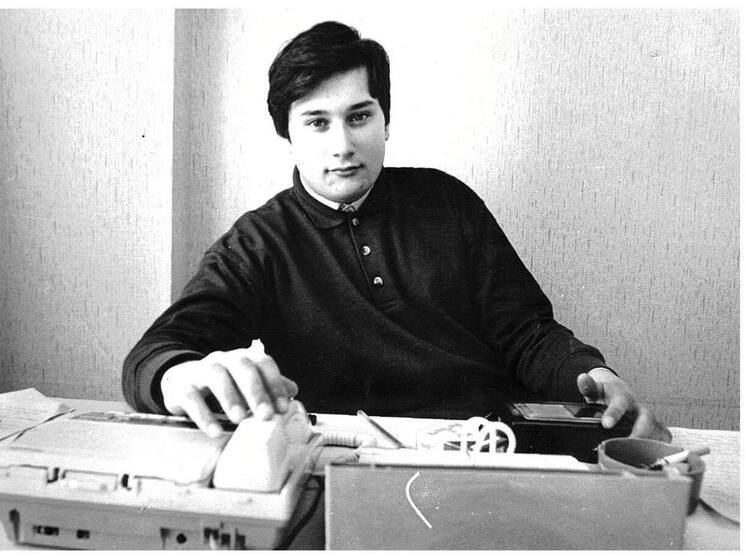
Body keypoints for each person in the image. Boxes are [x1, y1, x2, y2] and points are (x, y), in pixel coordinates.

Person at [122, 21, 670, 442]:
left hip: (488, 440)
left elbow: (526, 332)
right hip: (350, 456)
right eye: (317, 122)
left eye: (359, 117)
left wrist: (592, 373)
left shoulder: (447, 201)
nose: (342, 145)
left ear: (386, 120)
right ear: (286, 133)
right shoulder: (258, 242)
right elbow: (158, 352)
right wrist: (177, 376)